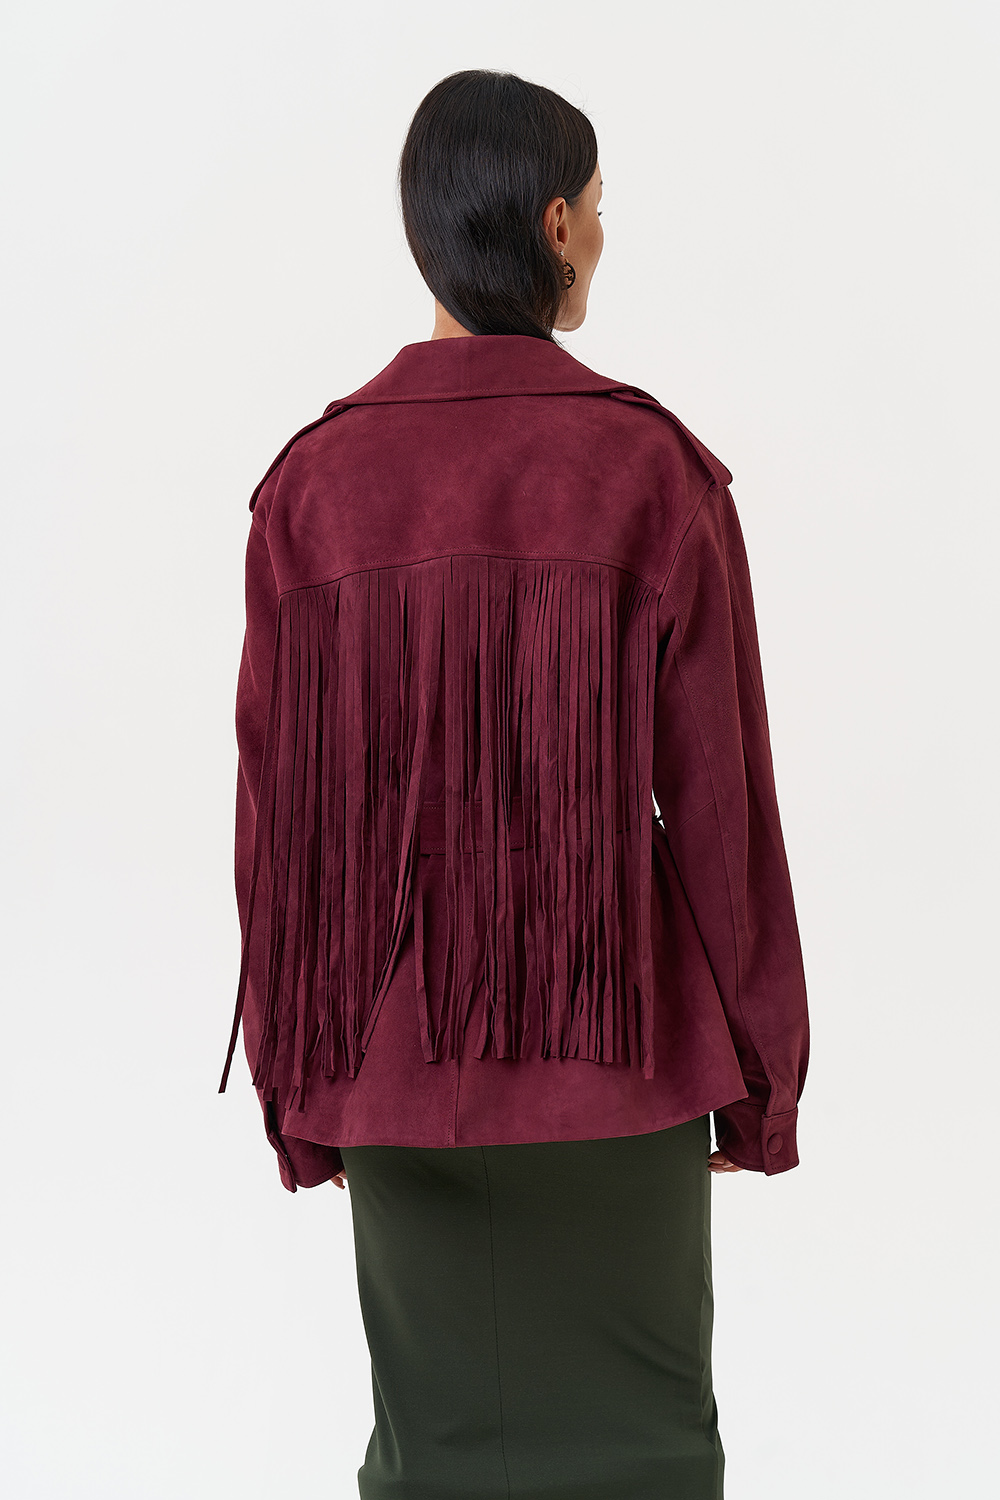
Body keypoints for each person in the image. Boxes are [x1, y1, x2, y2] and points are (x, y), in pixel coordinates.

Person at [219, 67, 809, 1500]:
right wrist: (761, 1082)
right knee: (644, 1455)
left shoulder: (312, 487)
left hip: (392, 1065)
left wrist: (299, 1087)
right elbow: (722, 815)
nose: (602, 235)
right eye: (597, 208)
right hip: (622, 1059)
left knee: (433, 1456)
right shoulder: (651, 471)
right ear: (552, 224)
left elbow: (280, 822)